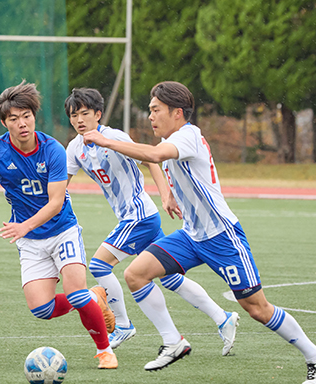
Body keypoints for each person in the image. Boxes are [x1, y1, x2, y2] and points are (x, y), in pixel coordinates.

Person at [84, 81, 316, 384]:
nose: (150, 116)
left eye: (155, 110)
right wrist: (171, 196)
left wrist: (106, 142)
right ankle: (172, 341)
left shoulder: (188, 136)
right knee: (136, 274)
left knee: (257, 308)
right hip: (191, 236)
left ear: (177, 113)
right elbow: (176, 169)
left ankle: (314, 354)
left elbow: (155, 156)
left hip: (222, 237)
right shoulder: (173, 137)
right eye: (150, 110)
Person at [0, 81, 118, 369]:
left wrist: (23, 226)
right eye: (14, 118)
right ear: (4, 122)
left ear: (34, 116)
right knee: (42, 309)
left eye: (27, 116)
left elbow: (56, 203)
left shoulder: (53, 150)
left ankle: (104, 351)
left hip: (62, 230)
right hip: (31, 242)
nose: (22, 123)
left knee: (75, 292)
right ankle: (94, 297)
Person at [65, 87, 239, 352]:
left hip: (139, 216)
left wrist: (166, 194)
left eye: (85, 113)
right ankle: (222, 317)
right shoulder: (75, 148)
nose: (79, 120)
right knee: (170, 278)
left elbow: (152, 162)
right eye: (74, 115)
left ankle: (124, 326)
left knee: (99, 265)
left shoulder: (113, 137)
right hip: (133, 217)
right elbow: (60, 186)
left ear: (98, 114)